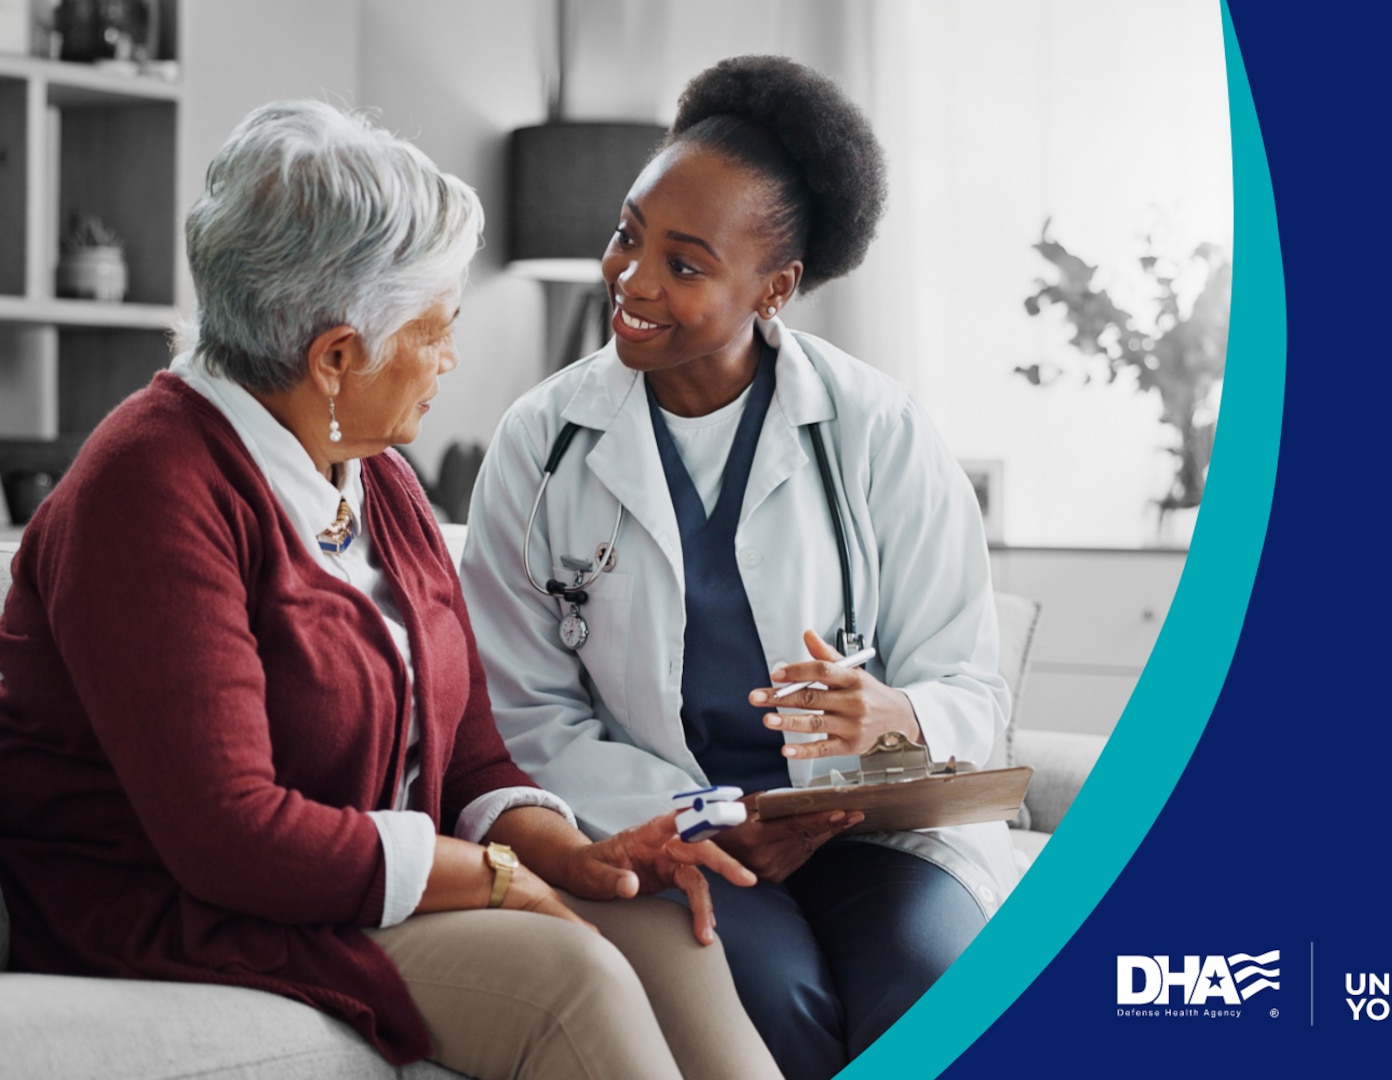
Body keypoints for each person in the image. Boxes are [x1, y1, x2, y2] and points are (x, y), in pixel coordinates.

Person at [0, 100, 781, 1080]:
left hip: (347, 885)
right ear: (336, 357)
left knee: (670, 936)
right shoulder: (148, 490)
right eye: (438, 329)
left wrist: (566, 855)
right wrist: (493, 877)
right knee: (568, 975)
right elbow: (231, 838)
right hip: (182, 906)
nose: (453, 359)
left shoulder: (375, 474)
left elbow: (468, 756)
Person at [460, 56, 1020, 1080]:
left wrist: (899, 719)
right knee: (770, 1006)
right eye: (629, 236)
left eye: (684, 264)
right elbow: (522, 713)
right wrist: (701, 817)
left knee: (933, 989)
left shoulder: (879, 433)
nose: (632, 281)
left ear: (775, 288)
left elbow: (971, 688)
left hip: (867, 833)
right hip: (678, 840)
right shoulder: (540, 446)